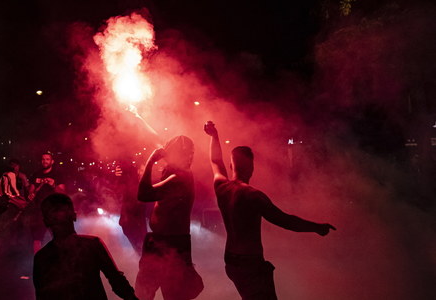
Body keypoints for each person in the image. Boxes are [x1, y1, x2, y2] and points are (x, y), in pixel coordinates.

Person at [204, 121, 336, 300]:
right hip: (250, 263)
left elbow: (215, 160)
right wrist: (316, 227)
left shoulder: (221, 186)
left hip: (231, 262)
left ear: (230, 166)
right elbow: (285, 221)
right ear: (252, 167)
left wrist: (214, 136)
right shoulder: (253, 196)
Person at [135, 136, 203, 300]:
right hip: (164, 243)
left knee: (170, 295)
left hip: (170, 245)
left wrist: (151, 160)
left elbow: (144, 194)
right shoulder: (179, 176)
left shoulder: (180, 178)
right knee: (145, 293)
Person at [33, 193, 138, 300]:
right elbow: (117, 281)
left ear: (46, 222)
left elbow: (42, 295)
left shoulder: (41, 258)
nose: (57, 216)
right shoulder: (92, 245)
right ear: (74, 216)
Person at [27, 152, 66, 253]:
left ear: (52, 161)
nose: (45, 161)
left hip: (53, 210)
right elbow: (31, 189)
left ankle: (60, 258)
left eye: (47, 159)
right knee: (37, 238)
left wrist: (53, 185)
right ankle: (38, 260)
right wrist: (30, 194)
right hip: (38, 211)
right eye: (43, 159)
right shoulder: (36, 174)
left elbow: (62, 192)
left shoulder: (57, 174)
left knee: (57, 235)